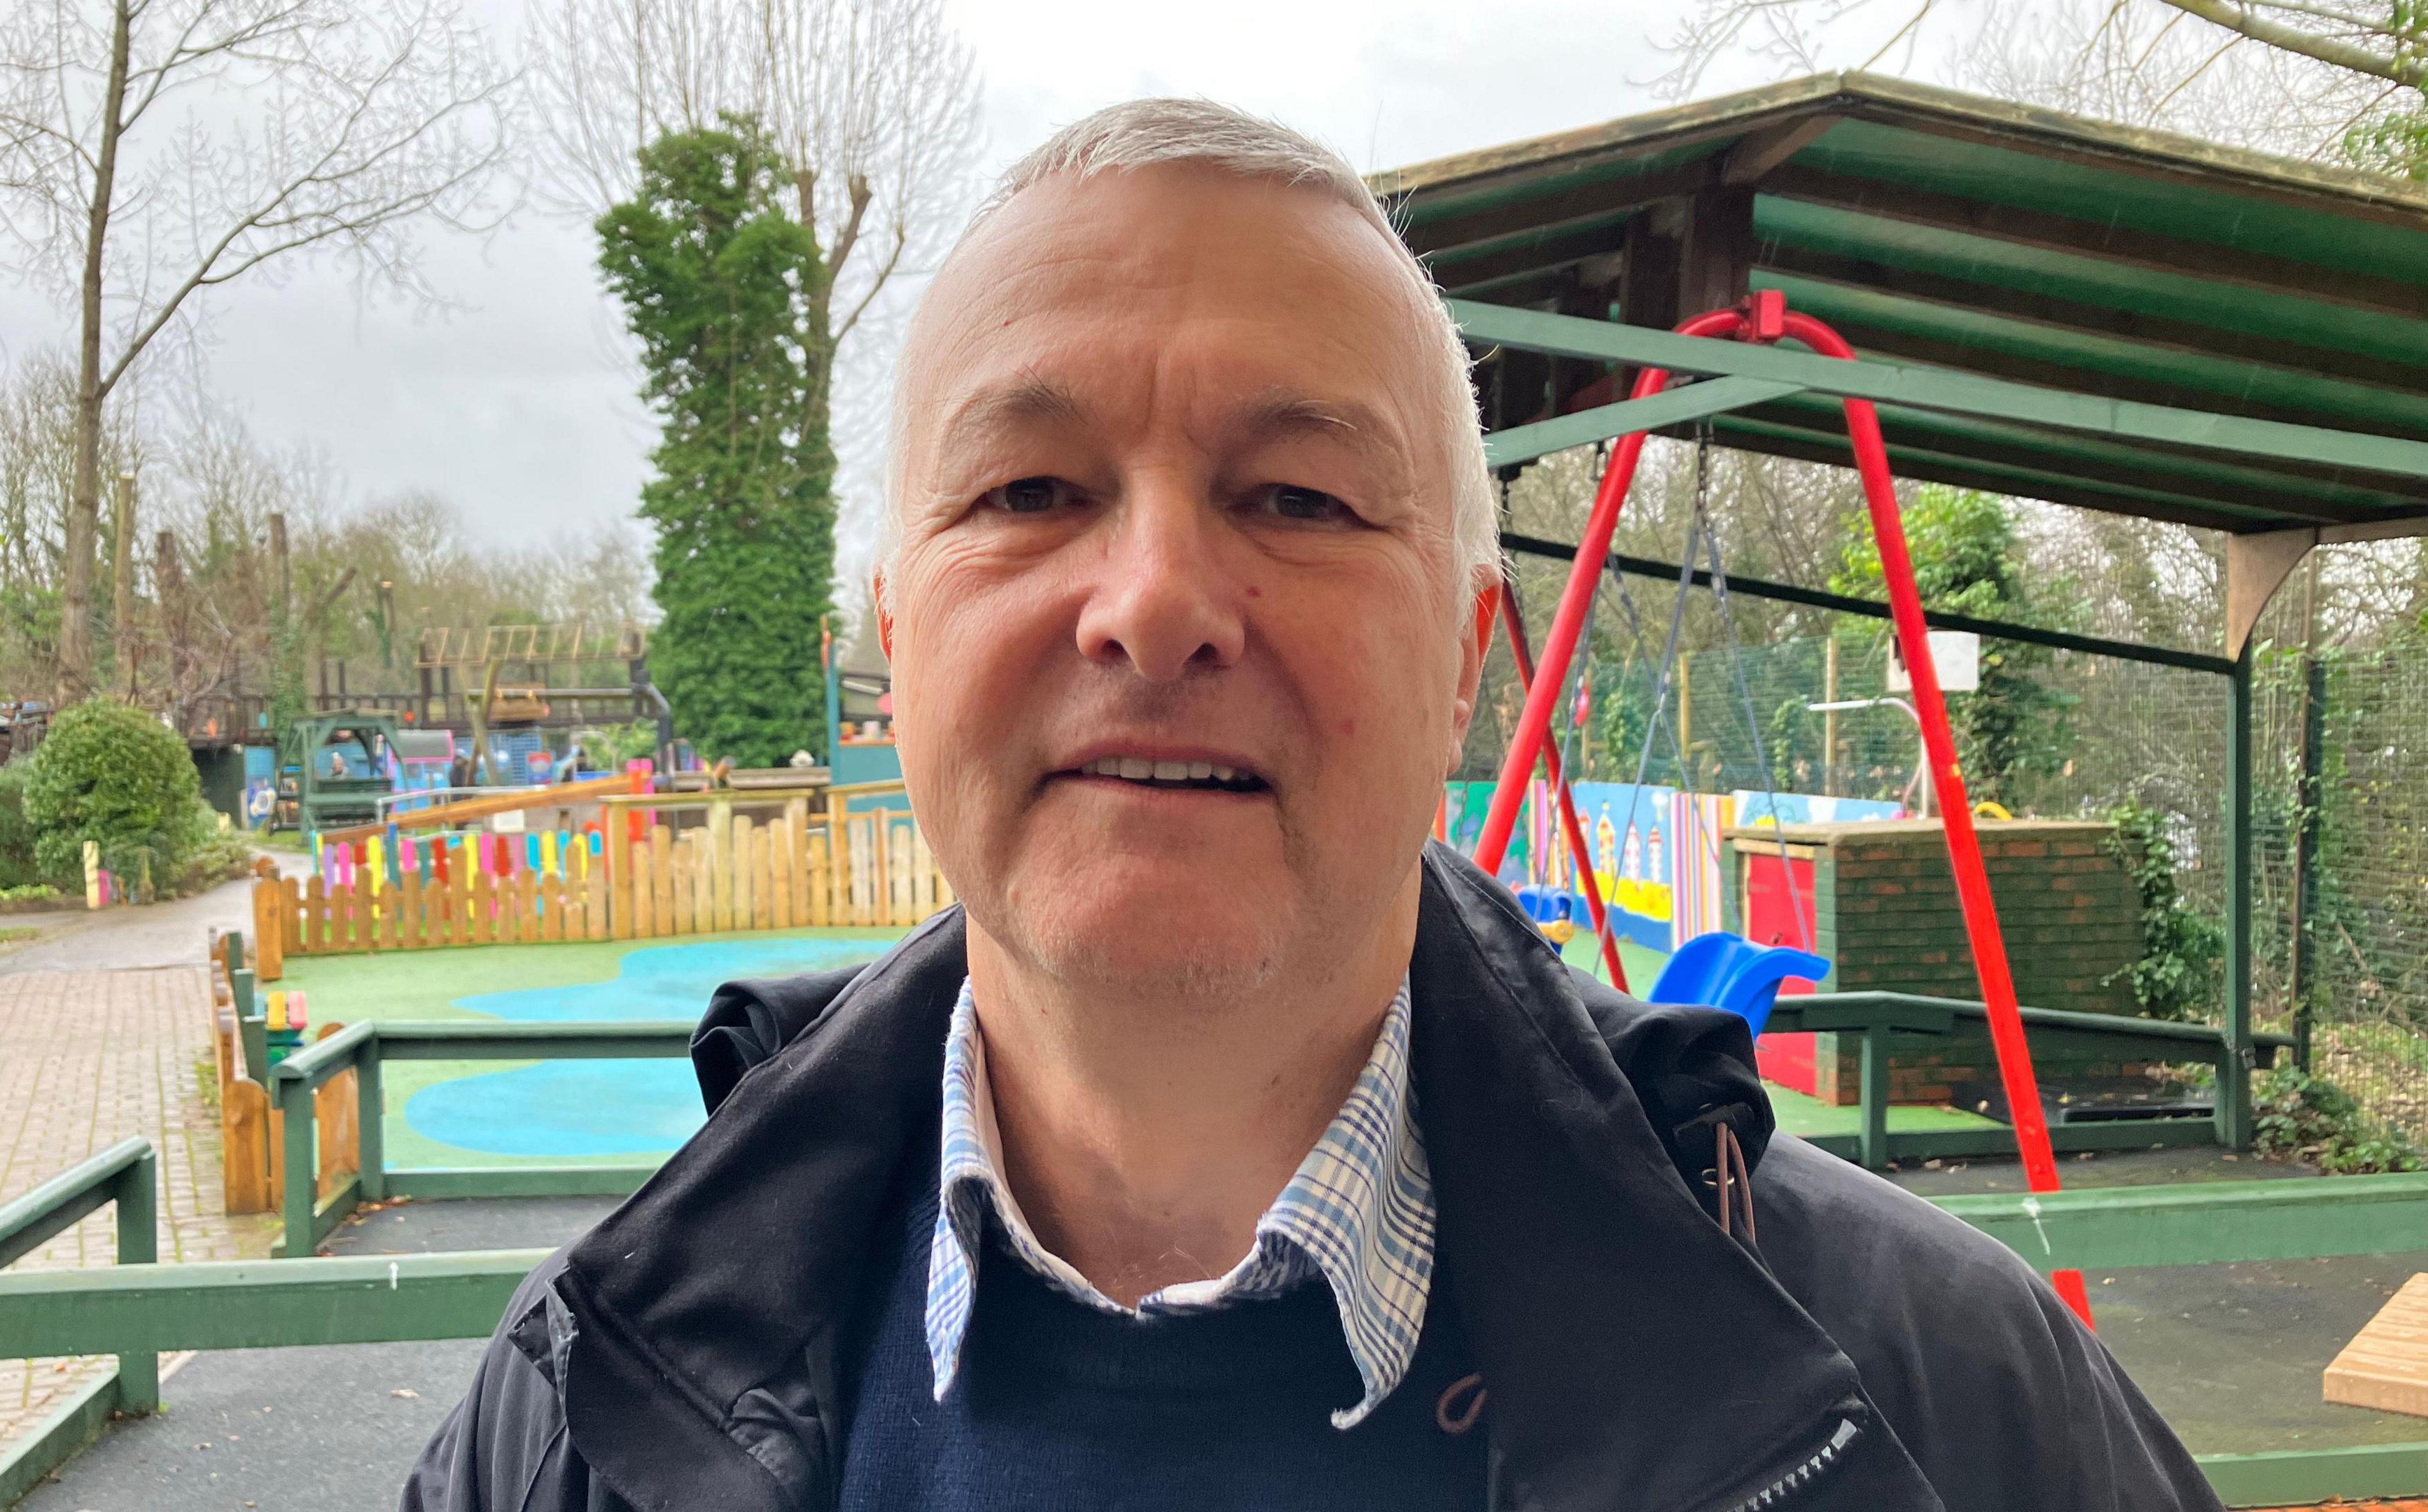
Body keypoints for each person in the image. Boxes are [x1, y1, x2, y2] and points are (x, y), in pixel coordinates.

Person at [403, 99, 2218, 1512]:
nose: (1156, 603)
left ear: (1466, 658)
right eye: (1031, 488)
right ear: (897, 641)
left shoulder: (1934, 1412)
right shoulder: (573, 1420)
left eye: (1299, 500)